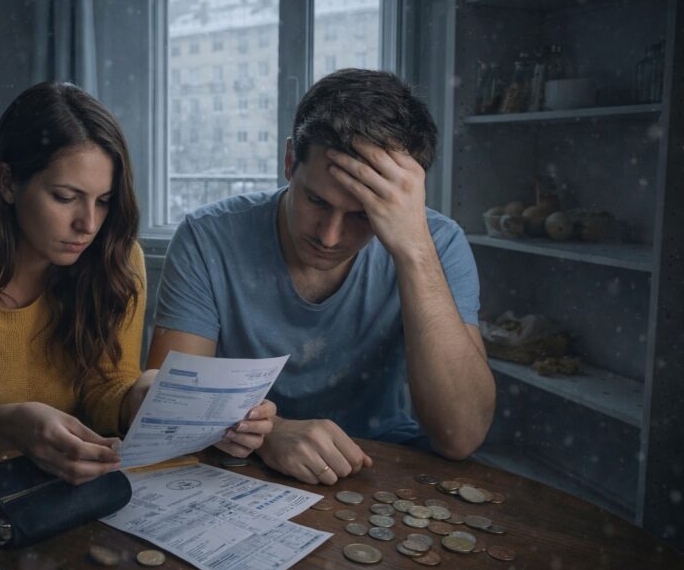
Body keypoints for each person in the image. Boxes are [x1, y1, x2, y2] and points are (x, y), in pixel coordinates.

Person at [0, 82, 273, 488]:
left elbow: (106, 388)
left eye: (103, 201)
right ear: (8, 183)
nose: (88, 224)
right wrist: (5, 427)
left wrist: (144, 399)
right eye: (65, 197)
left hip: (65, 502)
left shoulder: (117, 261)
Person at [148, 69, 495, 485]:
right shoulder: (207, 238)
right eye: (316, 200)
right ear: (290, 160)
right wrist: (268, 434)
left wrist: (415, 250)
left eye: (362, 216)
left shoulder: (438, 243)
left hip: (378, 463)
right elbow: (169, 411)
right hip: (240, 461)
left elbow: (461, 435)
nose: (329, 237)